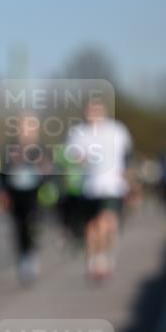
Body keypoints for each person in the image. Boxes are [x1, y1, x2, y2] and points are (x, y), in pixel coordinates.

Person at [66, 97, 133, 280]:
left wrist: (129, 179)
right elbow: (73, 157)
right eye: (90, 110)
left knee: (107, 222)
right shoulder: (79, 133)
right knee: (92, 227)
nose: (92, 114)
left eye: (96, 110)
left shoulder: (117, 130)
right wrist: (80, 159)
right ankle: (94, 258)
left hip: (113, 186)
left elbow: (127, 155)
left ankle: (104, 257)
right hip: (89, 187)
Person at [0, 112, 56, 286]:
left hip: (35, 194)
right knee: (19, 227)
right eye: (23, 127)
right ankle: (23, 257)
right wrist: (1, 193)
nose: (26, 131)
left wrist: (42, 167)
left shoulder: (41, 149)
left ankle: (32, 256)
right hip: (16, 194)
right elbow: (1, 173)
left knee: (34, 226)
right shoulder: (10, 148)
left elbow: (51, 172)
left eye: (30, 127)